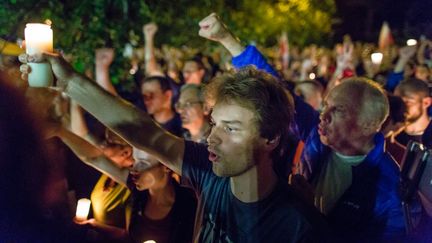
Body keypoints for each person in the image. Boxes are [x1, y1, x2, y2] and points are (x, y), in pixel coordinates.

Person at [20, 27, 331, 243]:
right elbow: (143, 132)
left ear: (271, 138)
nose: (213, 137)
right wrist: (69, 82)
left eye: (232, 128)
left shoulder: (298, 226)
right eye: (216, 124)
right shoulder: (210, 172)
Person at [196, 13, 412, 242]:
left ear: (369, 124)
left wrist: (311, 215)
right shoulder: (316, 134)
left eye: (338, 110)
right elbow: (275, 89)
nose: (323, 116)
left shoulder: (388, 189)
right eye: (326, 105)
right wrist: (226, 39)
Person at [394, 78, 432, 146]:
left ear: (426, 102)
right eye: (397, 102)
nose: (401, 107)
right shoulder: (391, 134)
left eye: (407, 102)